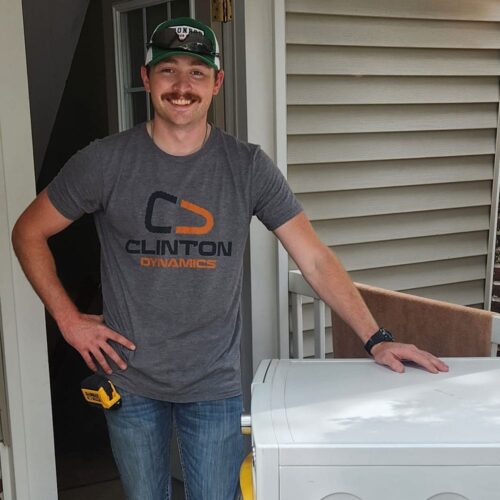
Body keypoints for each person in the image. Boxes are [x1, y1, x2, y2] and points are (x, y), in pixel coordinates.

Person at [11, 17, 448, 500]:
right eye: (168, 71)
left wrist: (377, 339)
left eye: (197, 72)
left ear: (217, 82)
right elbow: (28, 232)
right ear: (146, 78)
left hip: (212, 386)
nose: (182, 86)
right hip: (129, 384)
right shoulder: (103, 162)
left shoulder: (247, 167)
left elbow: (315, 259)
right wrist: (69, 321)